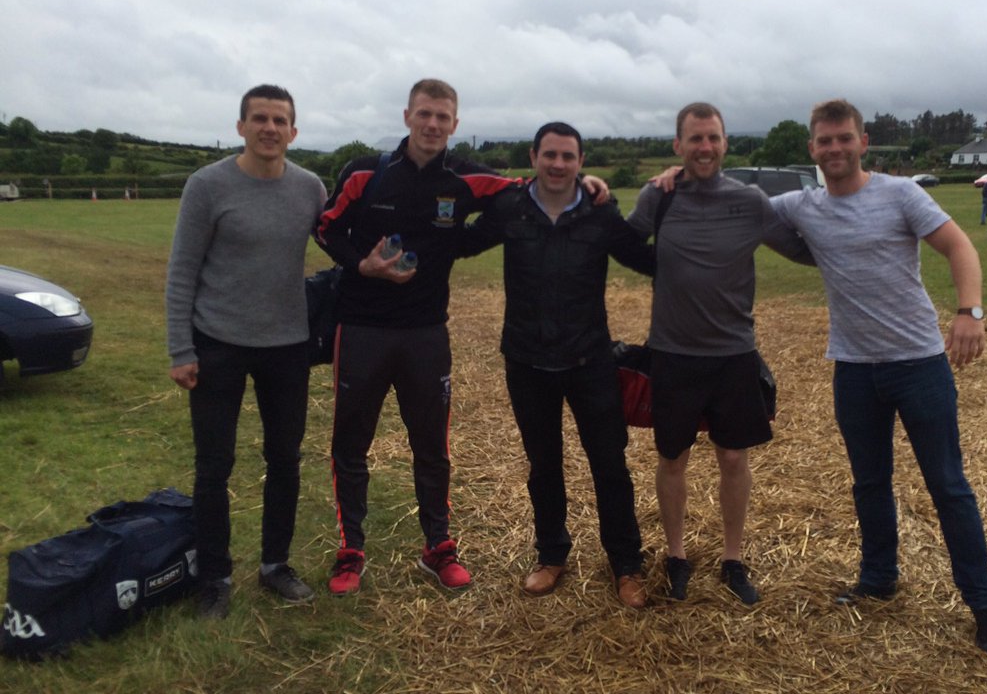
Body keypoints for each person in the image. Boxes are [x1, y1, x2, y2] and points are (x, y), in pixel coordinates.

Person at [314, 80, 609, 595]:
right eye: (424, 114)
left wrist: (588, 184)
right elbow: (325, 227)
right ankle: (351, 551)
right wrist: (361, 264)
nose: (433, 125)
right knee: (351, 445)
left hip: (427, 332)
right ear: (408, 115)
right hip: (361, 328)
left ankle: (438, 548)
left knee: (432, 446)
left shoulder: (469, 178)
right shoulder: (365, 173)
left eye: (443, 117)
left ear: (455, 123)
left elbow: (532, 186)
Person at [771, 98, 987, 659]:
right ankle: (878, 579)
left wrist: (969, 312)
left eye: (844, 138)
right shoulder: (802, 205)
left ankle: (984, 607)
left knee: (948, 487)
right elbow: (736, 206)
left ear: (864, 141)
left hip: (918, 364)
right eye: (825, 141)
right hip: (854, 369)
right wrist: (674, 177)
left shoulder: (900, 193)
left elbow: (959, 246)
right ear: (812, 149)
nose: (835, 149)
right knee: (869, 483)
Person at [458, 122, 655, 608]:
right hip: (526, 359)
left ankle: (627, 565)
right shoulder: (510, 208)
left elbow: (648, 261)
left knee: (609, 464)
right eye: (550, 154)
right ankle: (551, 556)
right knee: (543, 465)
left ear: (580, 161)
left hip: (590, 360)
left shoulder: (600, 212)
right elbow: (460, 244)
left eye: (568, 156)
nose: (558, 164)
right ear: (534, 156)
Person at [627, 102, 813, 606]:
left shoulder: (750, 201)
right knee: (673, 458)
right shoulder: (658, 197)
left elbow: (801, 249)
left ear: (725, 143)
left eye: (712, 138)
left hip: (733, 353)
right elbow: (622, 242)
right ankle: (676, 555)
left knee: (733, 457)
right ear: (678, 146)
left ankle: (733, 559)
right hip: (672, 352)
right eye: (694, 139)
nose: (704, 147)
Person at [165, 85, 328, 619]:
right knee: (214, 466)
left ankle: (275, 565)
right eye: (259, 118)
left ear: (294, 132)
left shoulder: (310, 188)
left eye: (280, 120)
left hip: (287, 347)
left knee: (285, 459)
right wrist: (180, 348)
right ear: (240, 127)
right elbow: (182, 271)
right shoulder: (207, 186)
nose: (270, 128)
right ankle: (214, 576)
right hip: (217, 345)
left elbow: (346, 239)